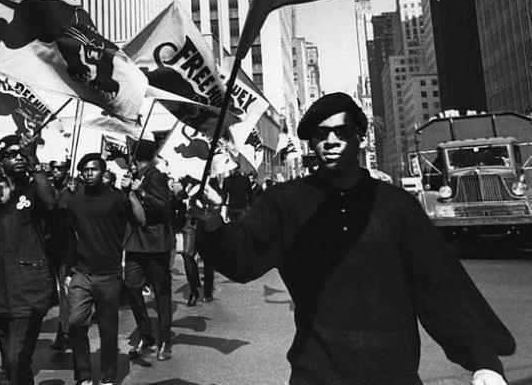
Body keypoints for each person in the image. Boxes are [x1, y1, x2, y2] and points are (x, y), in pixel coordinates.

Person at [195, 92, 515, 385]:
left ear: (359, 138)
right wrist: (212, 224)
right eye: (321, 134)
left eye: (342, 132)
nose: (331, 141)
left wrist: (482, 359)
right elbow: (242, 256)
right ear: (311, 142)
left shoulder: (397, 206)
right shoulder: (285, 203)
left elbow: (440, 288)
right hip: (316, 374)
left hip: (394, 375)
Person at [0, 133, 56, 385]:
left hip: (29, 286)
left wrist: (34, 159)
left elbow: (51, 203)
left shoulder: (35, 187)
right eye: (10, 155)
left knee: (17, 355)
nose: (17, 159)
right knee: (10, 361)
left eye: (20, 153)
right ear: (0, 163)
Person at [64, 153, 146, 385]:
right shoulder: (75, 202)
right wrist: (69, 273)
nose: (89, 173)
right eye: (85, 170)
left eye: (94, 169)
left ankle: (108, 378)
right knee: (75, 323)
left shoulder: (117, 198)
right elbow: (70, 237)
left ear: (103, 172)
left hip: (109, 275)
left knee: (108, 331)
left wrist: (131, 192)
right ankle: (84, 377)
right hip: (82, 273)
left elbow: (140, 220)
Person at [123, 140, 175, 361]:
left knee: (161, 291)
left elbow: (164, 207)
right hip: (136, 241)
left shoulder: (155, 176)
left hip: (155, 241)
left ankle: (165, 340)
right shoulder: (134, 175)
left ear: (136, 156)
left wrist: (141, 191)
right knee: (131, 284)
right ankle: (146, 334)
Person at [46, 159, 75, 353]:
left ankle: (64, 333)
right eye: (54, 168)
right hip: (47, 248)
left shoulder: (73, 191)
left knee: (65, 292)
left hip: (65, 249)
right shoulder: (45, 188)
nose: (56, 172)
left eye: (60, 168)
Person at [176, 175, 218, 306]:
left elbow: (218, 201)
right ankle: (194, 290)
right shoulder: (186, 184)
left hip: (204, 223)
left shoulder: (209, 183)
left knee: (208, 257)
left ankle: (207, 291)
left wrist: (207, 197)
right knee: (188, 255)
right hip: (190, 223)